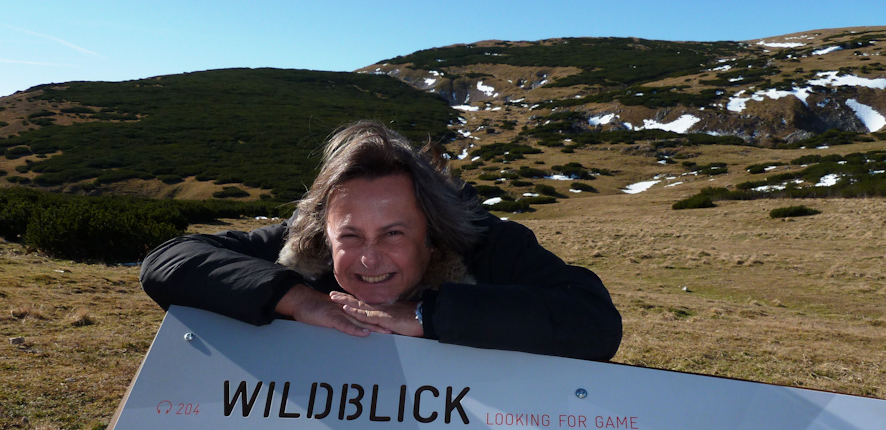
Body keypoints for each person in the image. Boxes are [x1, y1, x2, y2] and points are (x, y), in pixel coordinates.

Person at [140, 120, 622, 360]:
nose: (369, 258)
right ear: (325, 233)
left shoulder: (488, 246)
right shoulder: (304, 250)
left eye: (393, 233)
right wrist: (299, 300)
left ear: (432, 233)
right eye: (350, 236)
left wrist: (426, 316)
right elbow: (168, 260)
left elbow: (594, 322)